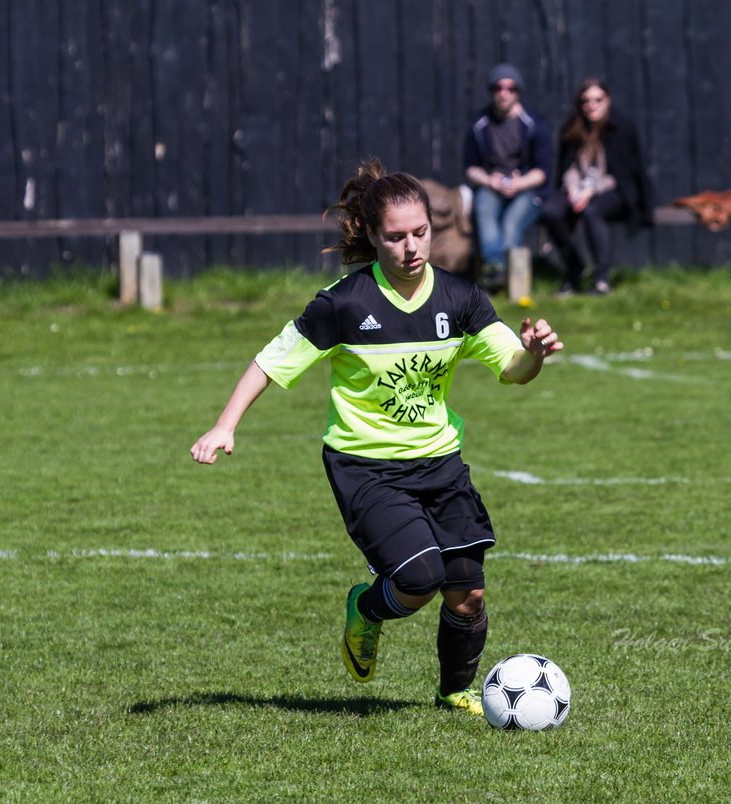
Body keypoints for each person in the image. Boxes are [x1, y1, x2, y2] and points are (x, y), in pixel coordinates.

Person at [190, 159, 563, 716]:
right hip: (365, 468)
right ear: (369, 234)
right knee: (418, 578)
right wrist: (225, 424)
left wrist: (533, 355)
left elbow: (511, 368)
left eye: (421, 232)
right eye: (396, 236)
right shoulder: (344, 303)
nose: (412, 247)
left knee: (468, 593)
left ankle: (453, 691)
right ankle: (366, 608)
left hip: (440, 463)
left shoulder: (460, 298)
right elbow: (270, 361)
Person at [540, 77, 653, 296]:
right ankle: (574, 267)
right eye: (586, 101)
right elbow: (568, 168)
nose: (592, 105)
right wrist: (573, 189)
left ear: (607, 100)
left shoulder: (621, 127)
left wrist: (590, 191)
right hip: (577, 188)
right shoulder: (573, 128)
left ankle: (602, 278)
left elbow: (623, 174)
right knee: (551, 211)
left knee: (593, 211)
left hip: (614, 190)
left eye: (597, 100)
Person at [463, 63, 552, 290]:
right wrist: (489, 180)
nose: (504, 93)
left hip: (527, 189)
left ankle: (512, 279)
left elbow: (543, 172)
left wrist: (519, 183)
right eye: (498, 88)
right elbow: (470, 168)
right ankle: (496, 269)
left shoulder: (534, 125)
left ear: (518, 91)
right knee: (484, 208)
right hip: (491, 186)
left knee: (512, 223)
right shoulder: (479, 124)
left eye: (510, 88)